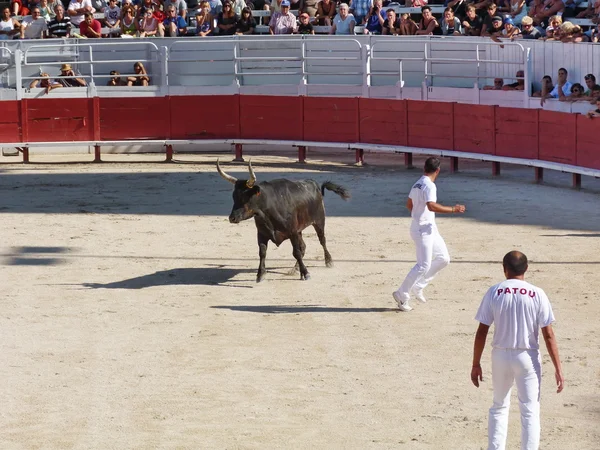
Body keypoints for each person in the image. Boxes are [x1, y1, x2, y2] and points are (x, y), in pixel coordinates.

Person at [471, 250, 564, 450]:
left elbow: (481, 332)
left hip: (500, 356)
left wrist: (476, 363)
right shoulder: (537, 293)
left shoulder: (494, 291)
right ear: (526, 269)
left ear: (504, 269)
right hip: (527, 356)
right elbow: (548, 335)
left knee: (499, 407)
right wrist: (558, 367)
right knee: (530, 410)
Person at [392, 157, 466, 311]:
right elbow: (431, 206)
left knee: (444, 259)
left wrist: (419, 216)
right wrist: (453, 209)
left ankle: (419, 286)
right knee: (423, 265)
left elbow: (409, 204)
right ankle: (402, 293)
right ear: (437, 170)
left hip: (428, 227)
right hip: (423, 229)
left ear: (424, 168)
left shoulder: (418, 183)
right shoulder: (430, 186)